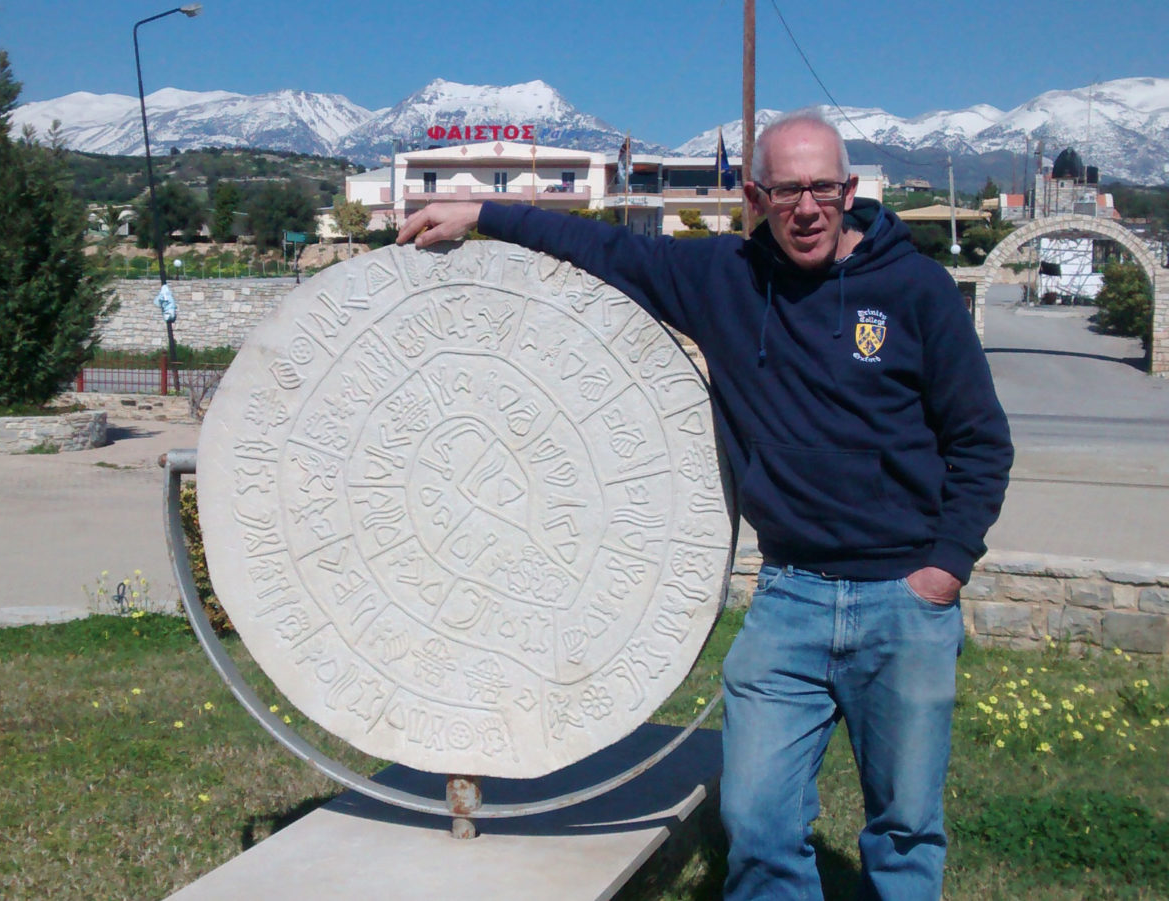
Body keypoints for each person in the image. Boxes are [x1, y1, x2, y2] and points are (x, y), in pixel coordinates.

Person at [397, 109, 1012, 900]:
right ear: (755, 195)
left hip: (904, 597)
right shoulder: (725, 278)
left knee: (903, 830)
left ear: (849, 189)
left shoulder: (914, 287)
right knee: (755, 823)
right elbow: (607, 247)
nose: (806, 208)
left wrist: (944, 568)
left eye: (823, 187)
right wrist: (483, 212)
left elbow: (980, 440)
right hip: (789, 599)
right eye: (785, 190)